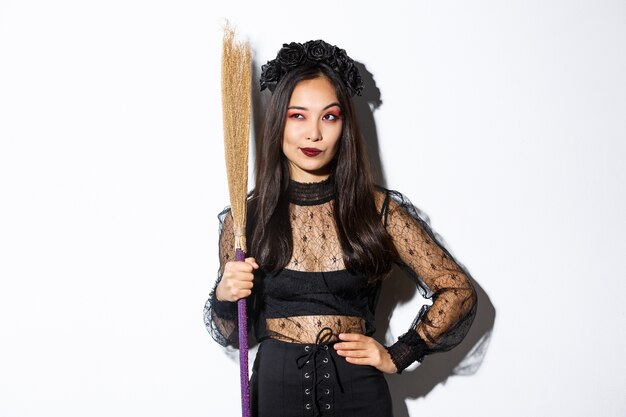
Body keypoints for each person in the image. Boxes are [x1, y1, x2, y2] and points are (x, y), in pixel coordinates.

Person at [204, 39, 477, 417]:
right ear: (277, 121)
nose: (313, 134)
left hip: (359, 396)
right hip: (274, 393)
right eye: (297, 116)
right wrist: (223, 294)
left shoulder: (379, 211)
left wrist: (400, 353)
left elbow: (458, 290)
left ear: (345, 125)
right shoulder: (245, 219)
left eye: (328, 116)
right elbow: (235, 333)